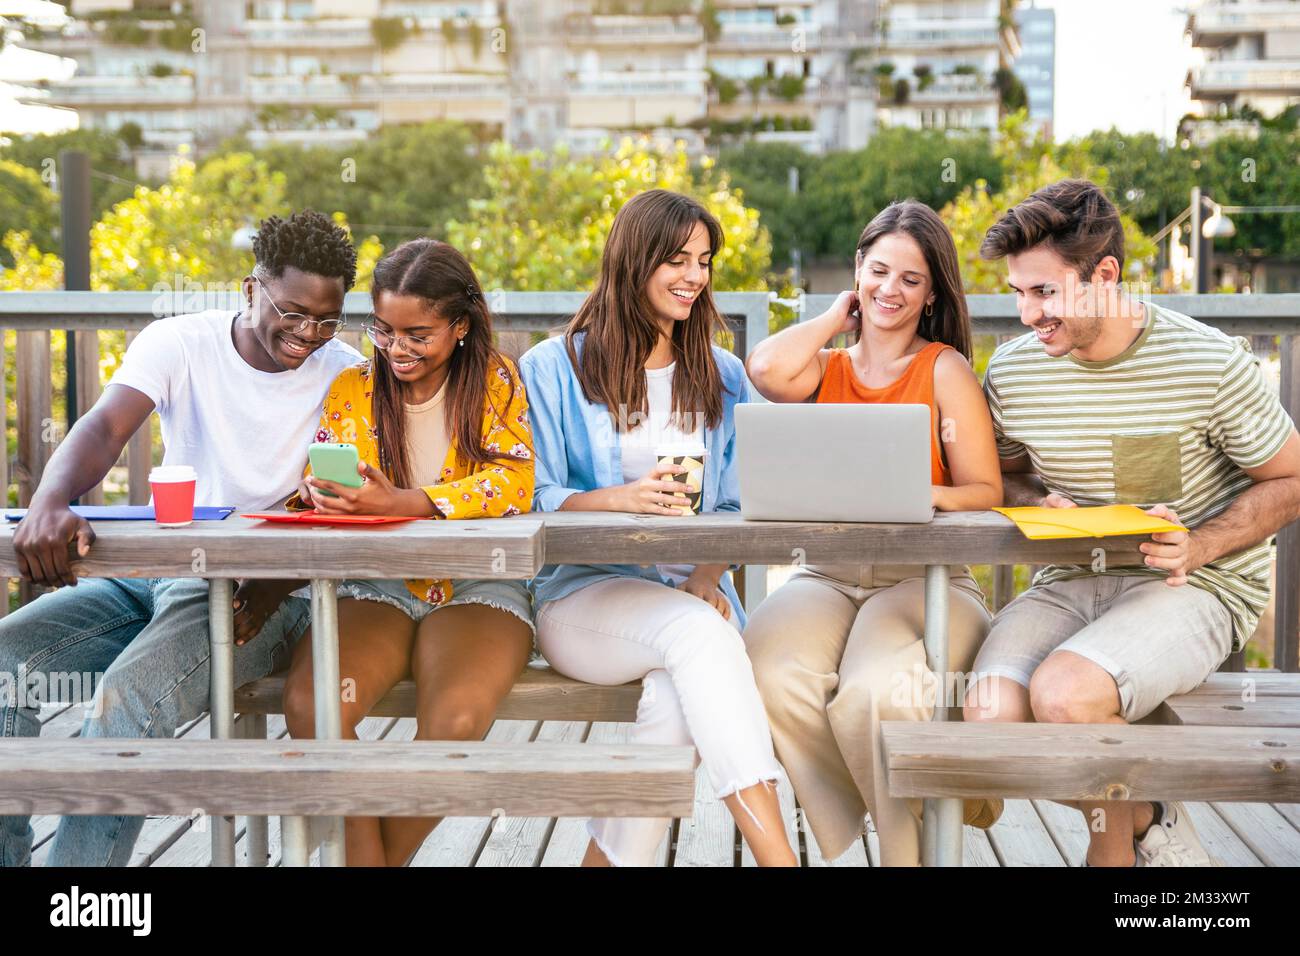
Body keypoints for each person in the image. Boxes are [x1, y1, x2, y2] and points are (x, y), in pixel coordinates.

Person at [0, 211, 362, 866]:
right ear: (250, 290)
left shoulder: (348, 375)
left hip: (266, 593)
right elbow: (106, 429)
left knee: (125, 702)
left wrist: (275, 581)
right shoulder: (178, 342)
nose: (309, 333)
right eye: (293, 311)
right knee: (4, 668)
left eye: (328, 319)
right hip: (156, 569)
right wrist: (50, 501)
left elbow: (344, 500)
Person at [963, 178, 1300, 866]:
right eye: (1018, 293)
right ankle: (1150, 816)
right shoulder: (1016, 374)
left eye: (1044, 293)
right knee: (990, 716)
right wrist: (1031, 503)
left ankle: (1110, 864)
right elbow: (1002, 477)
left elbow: (1292, 478)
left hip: (1194, 587)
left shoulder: (1208, 362)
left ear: (1104, 275)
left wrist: (1201, 543)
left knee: (1063, 697)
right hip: (1069, 580)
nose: (1027, 314)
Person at [519, 189, 797, 867]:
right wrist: (618, 498)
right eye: (677, 260)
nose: (695, 277)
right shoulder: (553, 368)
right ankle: (779, 858)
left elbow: (738, 504)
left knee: (674, 710)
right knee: (701, 638)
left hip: (693, 597)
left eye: (704, 261)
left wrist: (707, 572)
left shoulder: (723, 375)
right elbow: (530, 495)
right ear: (634, 261)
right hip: (583, 597)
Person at [742, 200, 1003, 866]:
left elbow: (984, 493)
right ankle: (901, 791)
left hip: (923, 578)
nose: (891, 290)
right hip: (828, 575)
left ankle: (900, 849)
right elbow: (766, 369)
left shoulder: (944, 369)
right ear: (859, 270)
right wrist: (836, 315)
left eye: (910, 280)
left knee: (872, 694)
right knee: (765, 666)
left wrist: (909, 495)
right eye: (878, 271)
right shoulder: (824, 369)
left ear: (932, 293)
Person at [279, 238, 535, 867]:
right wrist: (321, 494)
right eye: (384, 330)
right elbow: (328, 473)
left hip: (478, 586)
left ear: (460, 325)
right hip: (378, 585)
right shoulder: (352, 387)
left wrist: (407, 502)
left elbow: (515, 483)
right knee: (314, 707)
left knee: (453, 724)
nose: (397, 348)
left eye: (418, 333)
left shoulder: (496, 381)